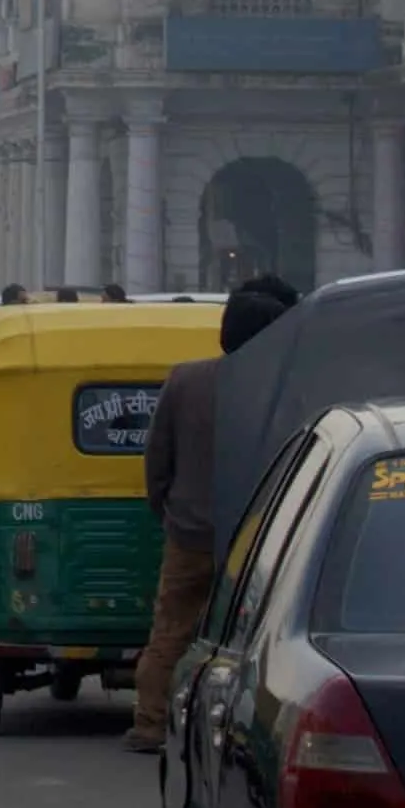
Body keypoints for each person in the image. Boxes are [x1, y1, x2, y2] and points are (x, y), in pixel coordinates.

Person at [125, 279, 294, 752]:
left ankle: (151, 722)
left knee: (172, 628)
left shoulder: (186, 380)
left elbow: (157, 458)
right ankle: (248, 733)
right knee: (259, 635)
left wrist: (167, 508)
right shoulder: (286, 391)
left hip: (192, 531)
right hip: (263, 538)